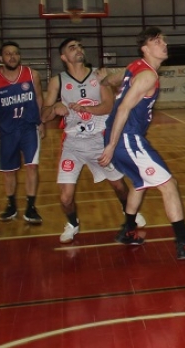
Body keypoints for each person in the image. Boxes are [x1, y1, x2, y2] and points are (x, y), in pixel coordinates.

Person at [100, 27, 185, 260]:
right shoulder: (148, 75)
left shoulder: (134, 67)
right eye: (157, 41)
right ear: (145, 48)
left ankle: (128, 231)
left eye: (163, 40)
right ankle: (184, 243)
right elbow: (123, 108)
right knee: (169, 185)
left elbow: (112, 79)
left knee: (139, 184)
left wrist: (104, 79)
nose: (164, 44)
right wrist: (111, 145)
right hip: (126, 138)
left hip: (118, 136)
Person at [40, 38, 145, 244]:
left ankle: (129, 214)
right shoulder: (57, 81)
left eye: (80, 46)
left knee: (119, 186)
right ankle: (72, 223)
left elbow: (108, 106)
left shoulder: (98, 75)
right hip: (73, 144)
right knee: (65, 197)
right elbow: (44, 116)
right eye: (72, 48)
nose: (78, 49)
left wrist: (86, 109)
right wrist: (54, 108)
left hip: (99, 140)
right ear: (63, 57)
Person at [0, 41, 44, 224]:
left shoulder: (32, 75)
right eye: (8, 54)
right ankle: (11, 205)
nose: (12, 57)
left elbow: (39, 97)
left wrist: (41, 121)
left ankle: (30, 207)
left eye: (15, 53)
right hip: (7, 131)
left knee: (32, 166)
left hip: (29, 128)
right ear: (1, 58)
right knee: (9, 171)